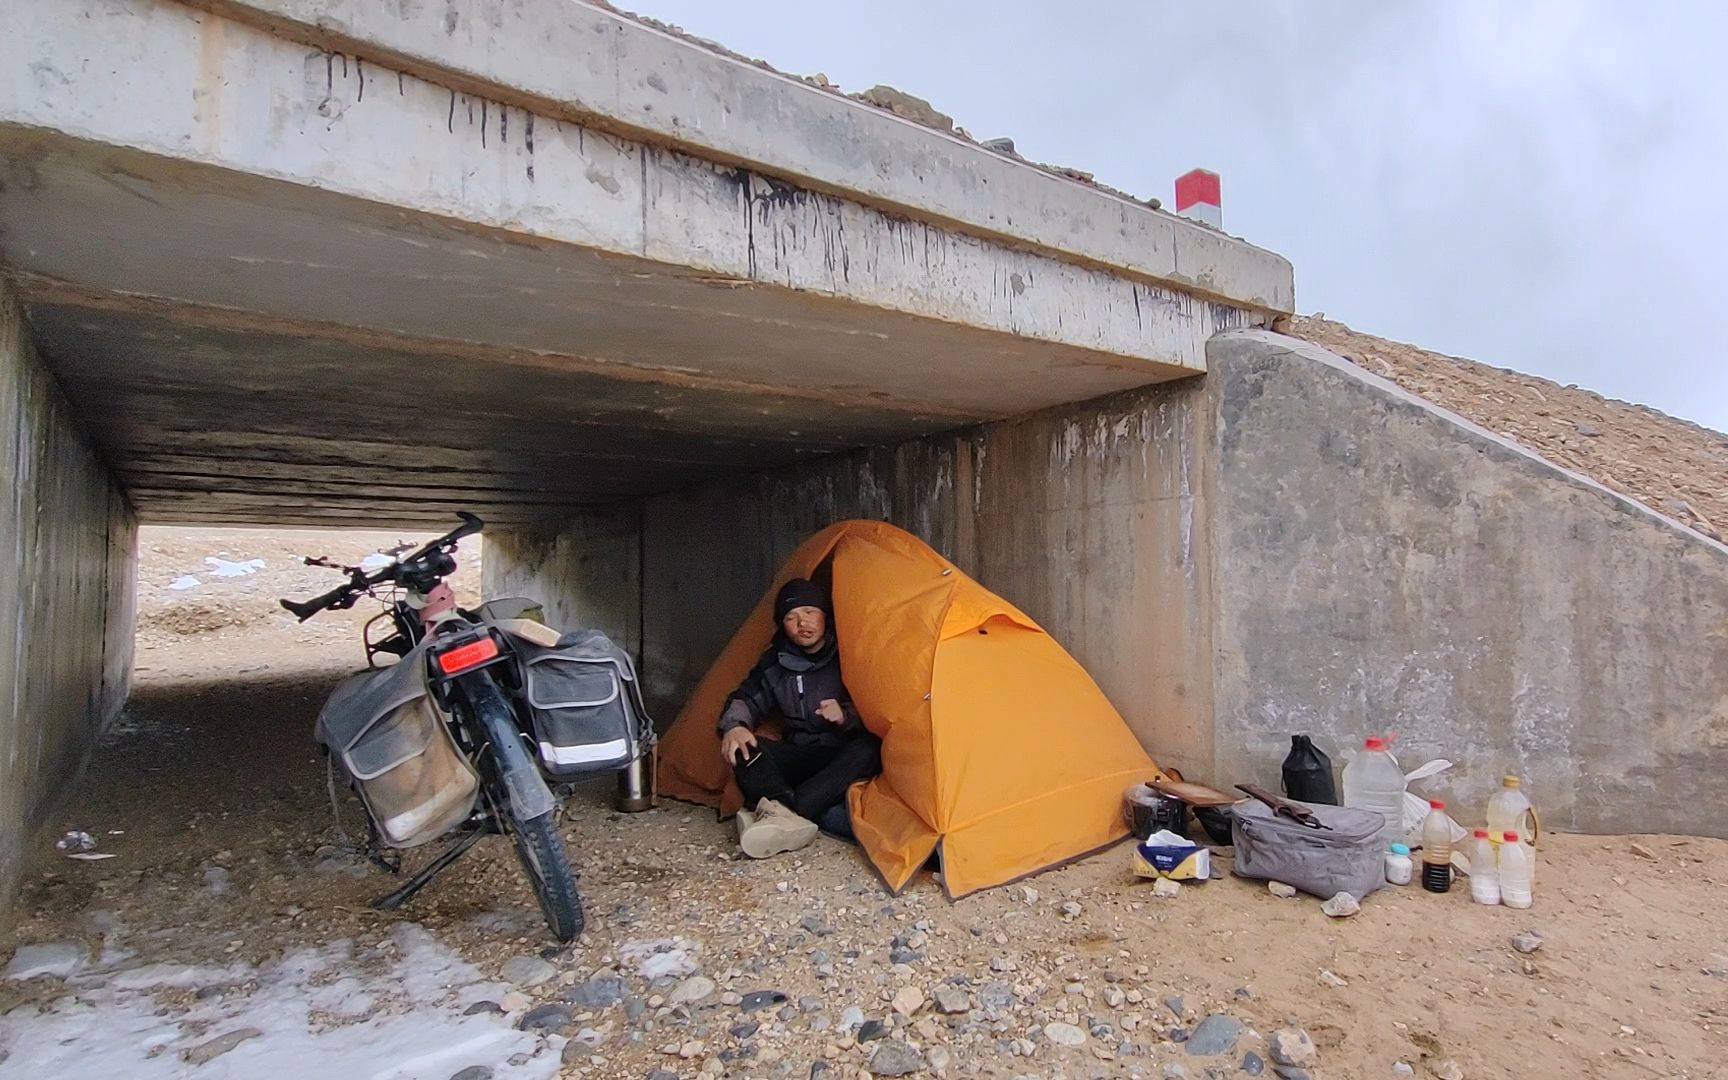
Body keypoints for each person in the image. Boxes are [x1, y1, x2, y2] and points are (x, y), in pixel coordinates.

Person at [718, 577, 881, 858]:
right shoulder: (775, 662)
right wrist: (734, 727)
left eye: (809, 612)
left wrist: (846, 714)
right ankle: (785, 812)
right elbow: (745, 699)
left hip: (841, 755)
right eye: (791, 617)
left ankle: (784, 814)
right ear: (782, 625)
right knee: (746, 748)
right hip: (801, 753)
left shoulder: (849, 653)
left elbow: (881, 705)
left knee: (870, 748)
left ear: (824, 616)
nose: (801, 623)